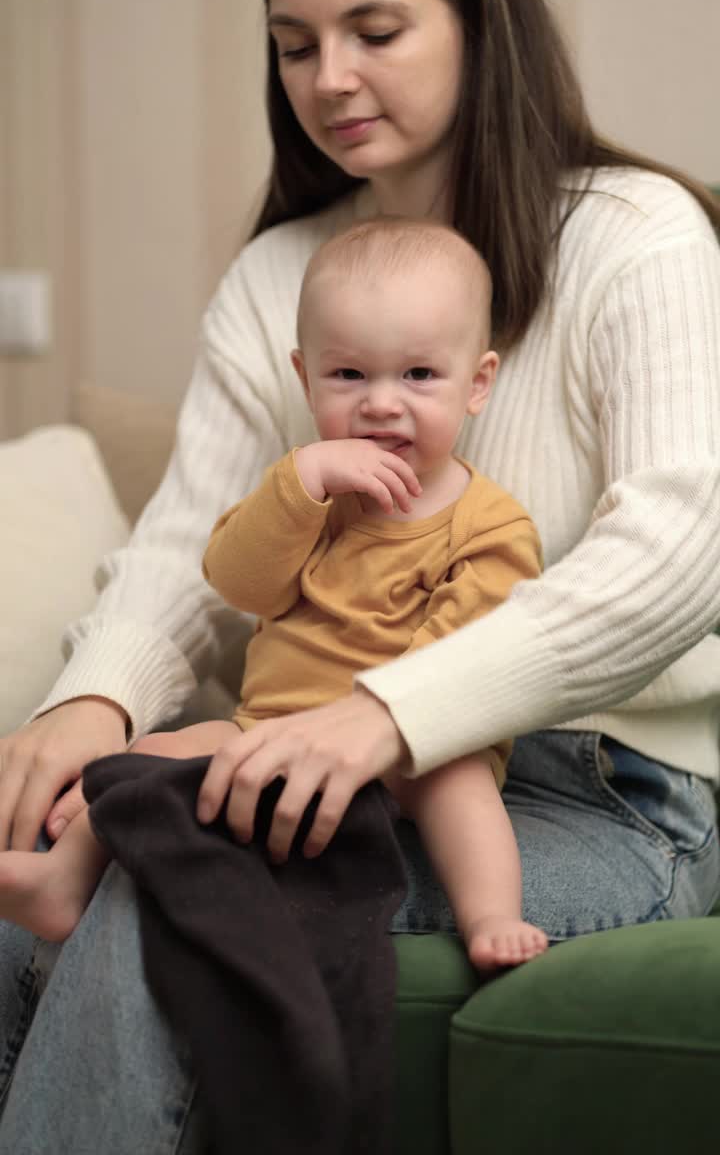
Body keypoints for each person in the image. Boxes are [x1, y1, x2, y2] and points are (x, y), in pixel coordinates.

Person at [0, 0, 718, 1149]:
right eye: (293, 44)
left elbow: (675, 556)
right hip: (322, 739)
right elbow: (187, 547)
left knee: (166, 882)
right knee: (34, 860)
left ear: (478, 23)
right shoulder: (281, 273)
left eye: (374, 31)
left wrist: (389, 712)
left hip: (611, 790)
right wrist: (89, 702)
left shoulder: (637, 237)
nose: (328, 77)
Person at [0, 218, 547, 971]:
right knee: (154, 754)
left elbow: (467, 655)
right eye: (350, 376)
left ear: (477, 383)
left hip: (415, 748)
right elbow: (235, 580)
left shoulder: (489, 524)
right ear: (304, 376)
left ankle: (489, 916)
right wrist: (302, 487)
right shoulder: (304, 495)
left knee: (464, 792)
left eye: (419, 376)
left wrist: (386, 727)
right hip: (263, 731)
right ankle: (65, 878)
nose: (382, 404)